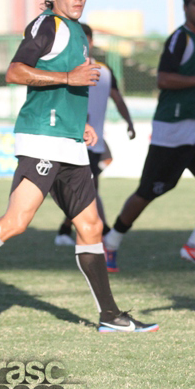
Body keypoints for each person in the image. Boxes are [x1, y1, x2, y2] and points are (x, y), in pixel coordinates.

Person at [0, 0, 157, 334]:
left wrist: (77, 120)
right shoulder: (48, 25)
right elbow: (15, 71)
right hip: (42, 141)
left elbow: (70, 87)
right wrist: (67, 78)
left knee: (91, 226)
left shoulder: (79, 33)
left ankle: (110, 316)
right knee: (15, 223)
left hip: (69, 143)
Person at [104, 0, 195, 273]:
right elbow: (163, 79)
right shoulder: (180, 39)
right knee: (148, 192)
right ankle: (110, 243)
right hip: (172, 131)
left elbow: (194, 79)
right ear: (186, 8)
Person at [54, 23, 136, 246]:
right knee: (85, 192)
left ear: (90, 42)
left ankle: (76, 231)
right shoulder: (66, 70)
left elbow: (117, 98)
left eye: (84, 40)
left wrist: (129, 121)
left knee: (87, 191)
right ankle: (90, 232)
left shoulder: (104, 71)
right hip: (73, 141)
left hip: (95, 142)